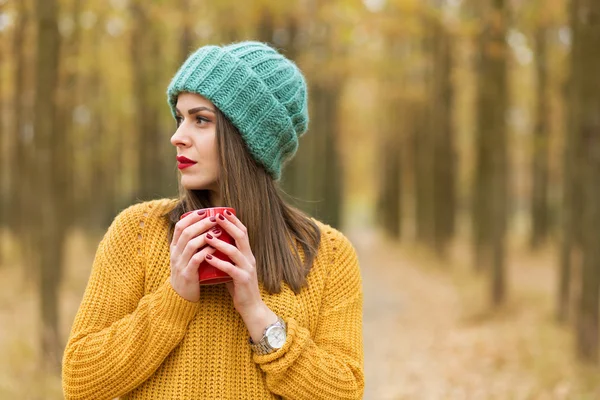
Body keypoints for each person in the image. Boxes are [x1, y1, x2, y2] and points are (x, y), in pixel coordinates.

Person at [62, 41, 364, 400]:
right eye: (180, 118)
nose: (178, 137)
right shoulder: (138, 232)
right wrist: (173, 301)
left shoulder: (326, 254)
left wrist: (257, 315)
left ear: (251, 139)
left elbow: (344, 391)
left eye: (200, 120)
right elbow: (81, 379)